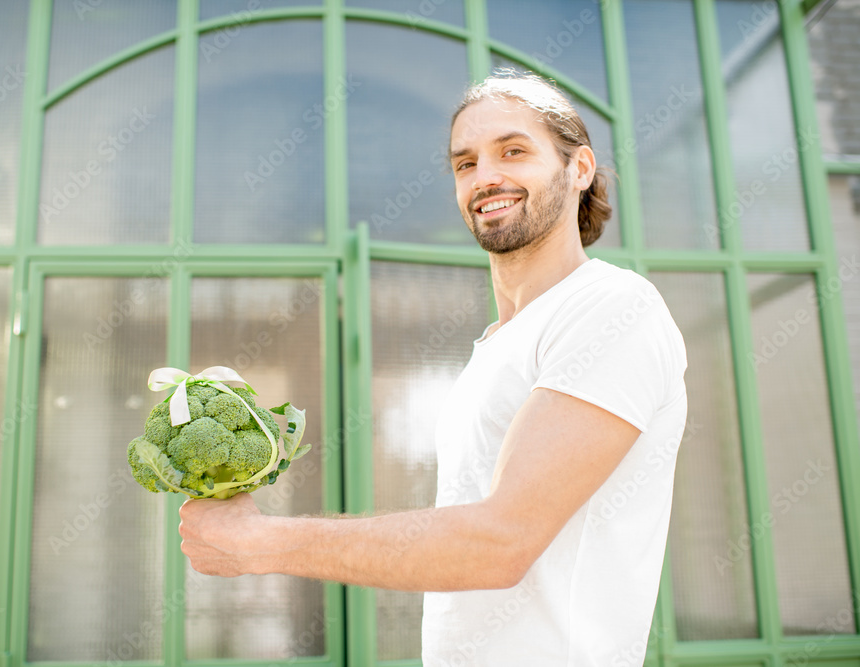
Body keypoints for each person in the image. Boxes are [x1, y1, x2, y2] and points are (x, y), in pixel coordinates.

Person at [178, 71, 688, 666]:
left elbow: (498, 543)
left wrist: (262, 543)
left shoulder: (612, 309)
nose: (485, 176)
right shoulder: (497, 344)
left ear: (580, 169)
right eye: (464, 163)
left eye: (513, 151)